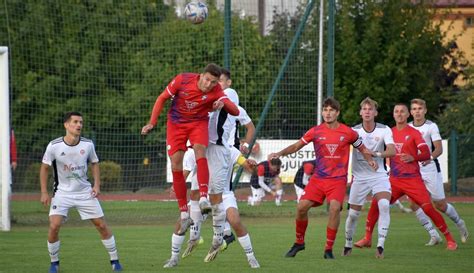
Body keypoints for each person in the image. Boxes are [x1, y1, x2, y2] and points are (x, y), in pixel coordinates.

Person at [268, 97, 377, 259]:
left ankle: (328, 249)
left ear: (337, 113)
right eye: (325, 110)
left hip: (338, 180)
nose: (328, 113)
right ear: (322, 112)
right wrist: (280, 153)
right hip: (319, 179)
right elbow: (297, 146)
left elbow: (362, 147)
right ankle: (299, 242)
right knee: (301, 208)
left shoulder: (348, 132)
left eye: (331, 110)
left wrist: (369, 160)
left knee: (334, 208)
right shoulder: (316, 131)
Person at [141, 63, 239, 234]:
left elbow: (235, 111)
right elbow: (162, 98)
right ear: (201, 76)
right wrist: (152, 122)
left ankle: (203, 198)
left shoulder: (216, 91)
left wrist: (223, 103)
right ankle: (184, 212)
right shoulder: (183, 79)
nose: (209, 84)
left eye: (214, 82)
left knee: (200, 150)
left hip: (197, 123)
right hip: (176, 124)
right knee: (176, 165)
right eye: (207, 79)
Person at [354, 103, 458, 251]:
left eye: (402, 111)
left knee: (428, 208)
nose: (399, 114)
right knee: (376, 203)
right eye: (396, 111)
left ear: (408, 114)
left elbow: (426, 154)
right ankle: (367, 238)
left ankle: (450, 239)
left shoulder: (414, 133)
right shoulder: (388, 132)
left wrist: (413, 157)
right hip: (394, 180)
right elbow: (379, 149)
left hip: (413, 179)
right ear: (393, 114)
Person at [40, 112, 122, 273]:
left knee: (102, 225)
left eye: (81, 122)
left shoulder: (88, 144)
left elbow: (95, 163)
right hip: (62, 194)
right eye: (75, 122)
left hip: (85, 193)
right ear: (66, 125)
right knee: (54, 225)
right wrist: (44, 191)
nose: (79, 125)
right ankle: (54, 263)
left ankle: (115, 261)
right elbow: (44, 168)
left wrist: (96, 185)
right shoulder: (54, 146)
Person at [164, 147, 260, 268]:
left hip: (224, 194)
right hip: (202, 195)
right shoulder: (195, 151)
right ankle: (174, 258)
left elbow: (247, 166)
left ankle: (251, 258)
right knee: (181, 222)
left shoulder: (230, 150)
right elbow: (185, 173)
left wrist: (252, 166)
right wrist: (175, 186)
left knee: (235, 221)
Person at [408, 98, 468, 245]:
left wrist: (429, 157)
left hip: (430, 169)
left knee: (439, 204)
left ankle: (459, 223)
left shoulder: (431, 127)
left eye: (420, 109)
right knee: (414, 204)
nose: (417, 112)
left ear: (425, 111)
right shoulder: (408, 127)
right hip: (414, 170)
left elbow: (439, 148)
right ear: (411, 112)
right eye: (414, 109)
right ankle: (434, 235)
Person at [342, 97, 396, 259]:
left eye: (370, 109)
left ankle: (380, 246)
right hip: (359, 178)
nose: (367, 112)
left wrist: (377, 154)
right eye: (364, 109)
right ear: (360, 112)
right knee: (352, 215)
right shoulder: (353, 131)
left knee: (385, 205)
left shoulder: (384, 129)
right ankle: (348, 244)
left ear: (375, 113)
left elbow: (392, 151)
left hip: (379, 175)